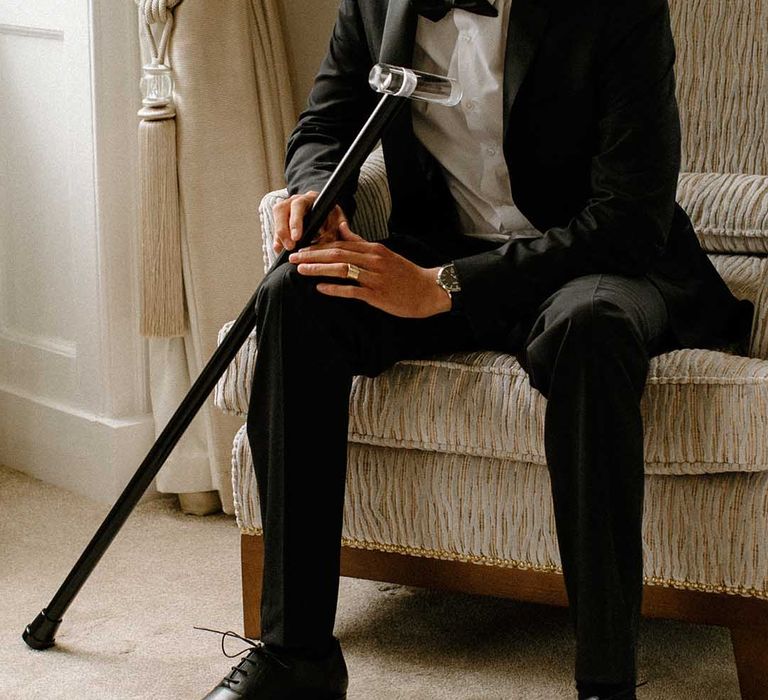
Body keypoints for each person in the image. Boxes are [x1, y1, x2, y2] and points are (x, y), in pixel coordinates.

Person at [203, 1, 753, 698]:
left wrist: (449, 288)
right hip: (440, 248)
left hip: (594, 263)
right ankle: (295, 656)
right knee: (294, 295)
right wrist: (314, 190)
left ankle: (605, 683)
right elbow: (325, 122)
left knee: (591, 332)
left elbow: (630, 215)